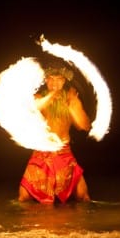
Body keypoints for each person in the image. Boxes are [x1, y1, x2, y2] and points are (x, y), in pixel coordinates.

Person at [18, 66, 93, 204]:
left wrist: (72, 108)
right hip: (41, 153)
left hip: (63, 152)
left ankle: (79, 224)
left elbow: (84, 125)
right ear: (46, 80)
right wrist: (51, 96)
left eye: (59, 80)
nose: (55, 84)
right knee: (23, 198)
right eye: (51, 79)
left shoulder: (71, 98)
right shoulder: (39, 98)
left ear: (64, 81)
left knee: (83, 196)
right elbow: (31, 110)